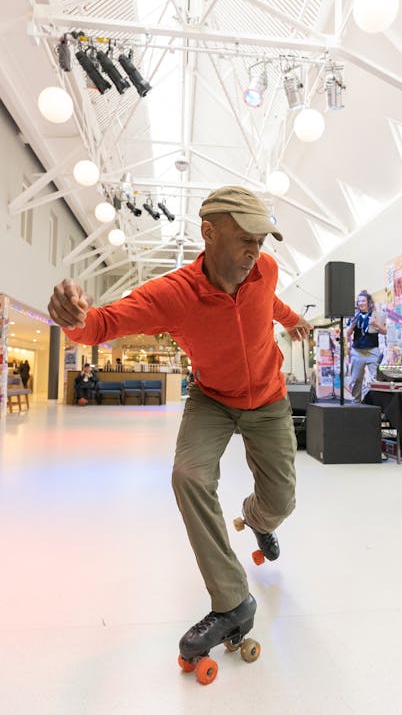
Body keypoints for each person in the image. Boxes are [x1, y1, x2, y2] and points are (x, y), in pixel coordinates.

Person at [47, 185, 312, 662]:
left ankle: (256, 519)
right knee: (187, 475)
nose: (256, 250)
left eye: (262, 239)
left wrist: (293, 321)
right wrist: (75, 321)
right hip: (211, 398)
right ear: (208, 233)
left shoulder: (264, 270)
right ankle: (232, 600)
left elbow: (272, 303)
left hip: (269, 399)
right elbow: (103, 323)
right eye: (246, 238)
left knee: (282, 501)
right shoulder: (175, 295)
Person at [346, 290, 386, 402]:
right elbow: (348, 334)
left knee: (376, 379)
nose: (361, 303)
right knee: (356, 380)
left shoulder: (376, 315)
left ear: (368, 302)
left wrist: (375, 324)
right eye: (359, 301)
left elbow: (384, 331)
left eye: (363, 301)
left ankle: (377, 403)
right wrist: (353, 324)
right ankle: (355, 402)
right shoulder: (354, 316)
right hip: (357, 351)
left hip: (373, 350)